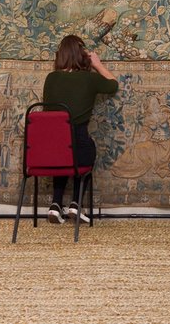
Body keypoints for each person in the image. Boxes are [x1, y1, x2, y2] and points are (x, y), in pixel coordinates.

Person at [41, 35, 119, 224]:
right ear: (81, 55)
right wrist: (97, 64)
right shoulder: (89, 79)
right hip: (79, 143)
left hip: (52, 147)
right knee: (86, 151)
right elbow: (113, 85)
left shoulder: (51, 78)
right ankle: (76, 203)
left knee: (62, 154)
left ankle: (55, 205)